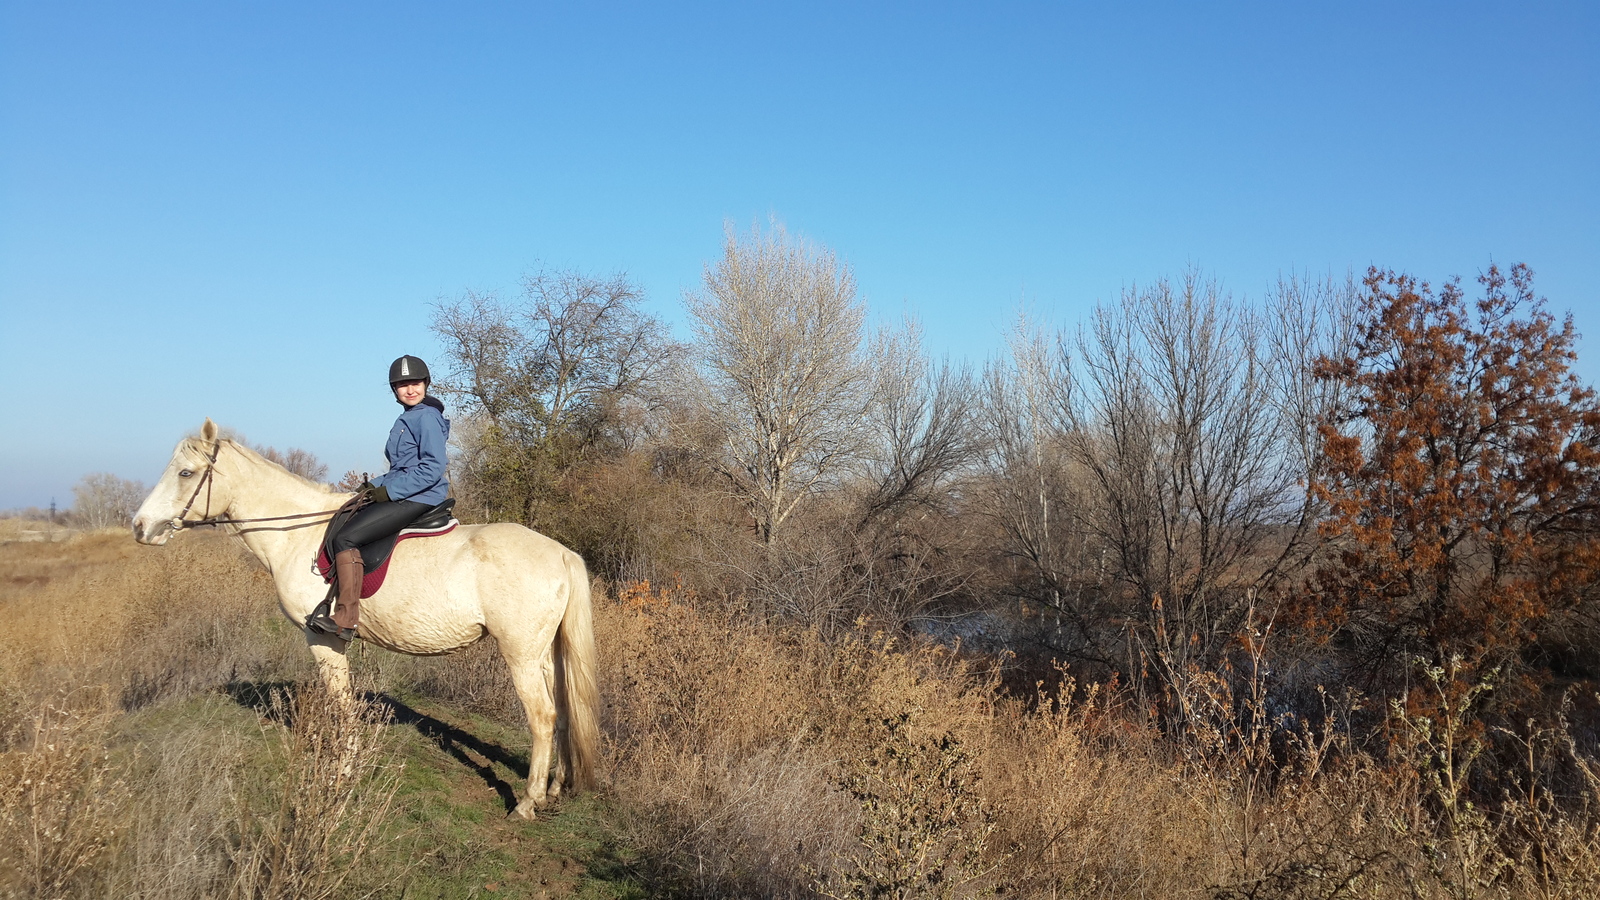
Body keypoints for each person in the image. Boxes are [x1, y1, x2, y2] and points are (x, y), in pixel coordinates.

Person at [316, 355, 451, 641]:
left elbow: (432, 468)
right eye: (402, 386)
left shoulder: (426, 417)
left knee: (346, 538)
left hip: (420, 496)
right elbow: (401, 468)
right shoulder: (407, 418)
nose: (410, 390)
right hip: (406, 490)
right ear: (394, 391)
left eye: (415, 383)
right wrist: (371, 486)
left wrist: (387, 492)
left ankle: (346, 619)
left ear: (426, 384)